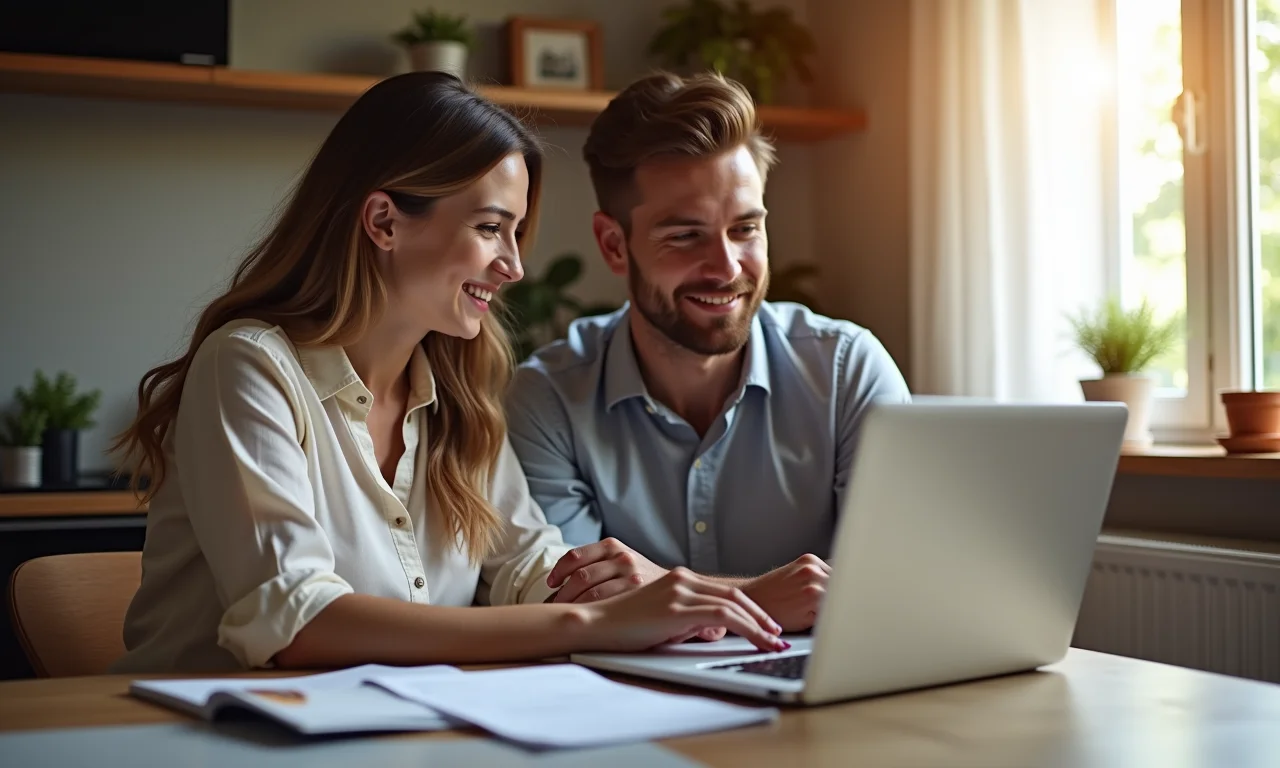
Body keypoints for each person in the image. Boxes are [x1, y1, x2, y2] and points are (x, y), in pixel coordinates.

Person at [108, 72, 787, 674]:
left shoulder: (457, 396)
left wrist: (649, 599)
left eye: (516, 232)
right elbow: (299, 623)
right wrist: (592, 621)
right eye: (492, 228)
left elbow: (526, 570)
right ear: (384, 222)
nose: (514, 266)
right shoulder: (250, 367)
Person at [506, 72, 912, 633]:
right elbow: (572, 603)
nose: (726, 268)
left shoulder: (847, 371)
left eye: (745, 229)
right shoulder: (548, 397)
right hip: (627, 709)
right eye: (685, 235)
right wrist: (772, 597)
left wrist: (667, 595)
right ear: (613, 245)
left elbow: (904, 582)